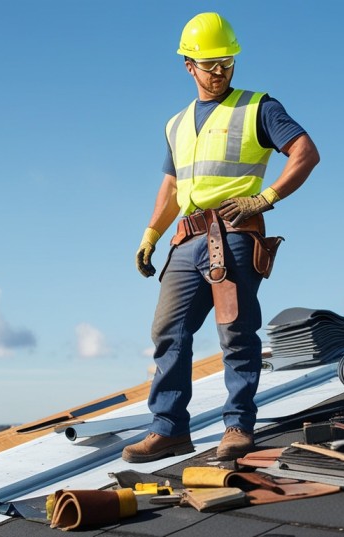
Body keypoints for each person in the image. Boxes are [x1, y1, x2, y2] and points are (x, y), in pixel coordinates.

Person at [122, 12, 320, 463]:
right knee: (167, 333)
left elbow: (306, 153)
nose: (219, 72)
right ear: (188, 65)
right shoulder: (175, 125)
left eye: (226, 62)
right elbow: (172, 187)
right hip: (186, 239)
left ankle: (237, 426)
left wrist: (265, 198)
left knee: (235, 330)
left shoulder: (259, 107)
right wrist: (150, 234)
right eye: (209, 64)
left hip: (233, 233)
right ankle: (169, 429)